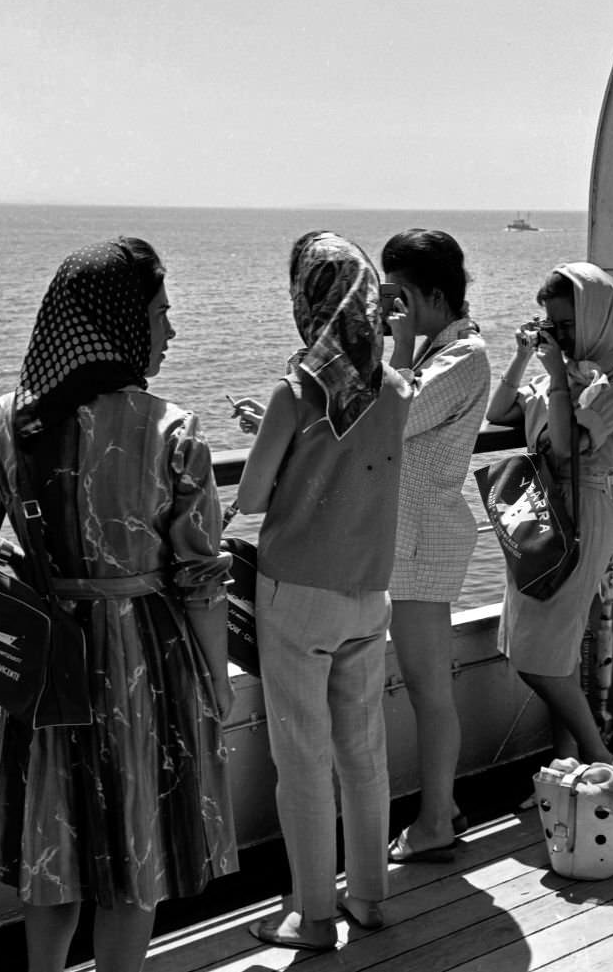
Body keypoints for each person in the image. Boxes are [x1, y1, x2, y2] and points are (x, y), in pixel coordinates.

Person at [0, 238, 238, 972]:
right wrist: (218, 680)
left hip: (47, 663)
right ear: (120, 322)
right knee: (135, 847)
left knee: (54, 836)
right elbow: (201, 579)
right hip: (144, 659)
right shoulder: (173, 429)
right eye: (161, 313)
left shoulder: (7, 419)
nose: (172, 330)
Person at [235, 232, 411, 951]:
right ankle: (368, 897)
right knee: (364, 749)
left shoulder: (296, 388)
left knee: (303, 758)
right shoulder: (398, 388)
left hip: (297, 594)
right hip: (368, 593)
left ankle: (312, 916)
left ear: (308, 299)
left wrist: (265, 434)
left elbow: (249, 495)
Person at [485, 261, 613, 767]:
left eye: (568, 325)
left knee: (541, 658)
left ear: (596, 318)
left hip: (585, 511)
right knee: (555, 649)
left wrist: (554, 377)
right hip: (545, 510)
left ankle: (600, 758)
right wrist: (522, 358)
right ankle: (567, 764)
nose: (562, 336)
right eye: (553, 325)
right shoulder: (566, 373)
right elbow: (499, 412)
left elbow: (569, 445)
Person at [379, 229, 490, 863]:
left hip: (422, 541)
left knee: (427, 687)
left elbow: (395, 416)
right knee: (427, 685)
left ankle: (434, 823)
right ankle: (441, 808)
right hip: (416, 536)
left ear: (433, 295)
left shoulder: (462, 358)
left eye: (399, 295)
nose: (391, 307)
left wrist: (394, 347)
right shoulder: (440, 353)